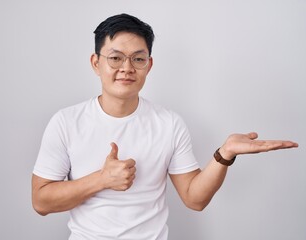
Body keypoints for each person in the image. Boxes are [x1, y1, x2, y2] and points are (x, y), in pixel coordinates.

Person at [32, 13, 298, 240]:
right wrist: (101, 179)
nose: (127, 68)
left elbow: (195, 199)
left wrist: (224, 154)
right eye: (115, 58)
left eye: (138, 59)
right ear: (95, 63)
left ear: (149, 65)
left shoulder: (169, 124)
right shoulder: (66, 122)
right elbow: (41, 201)